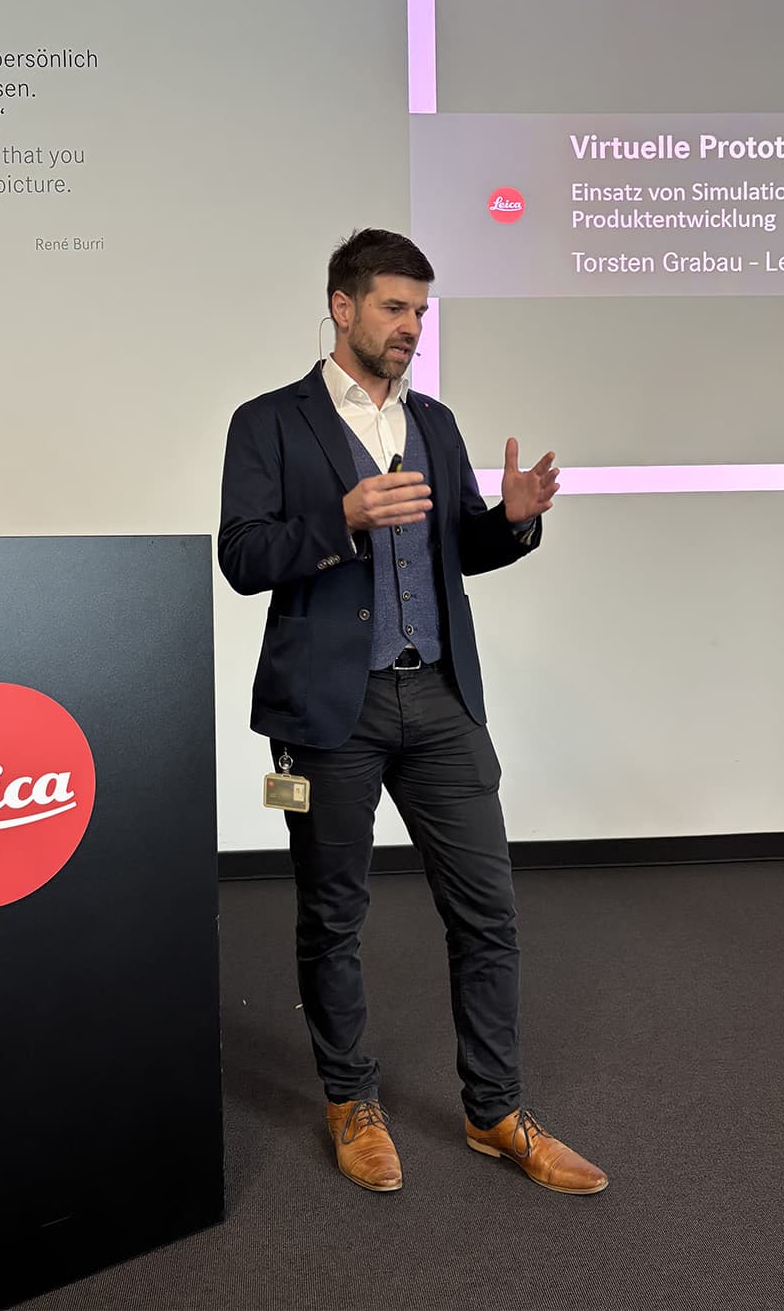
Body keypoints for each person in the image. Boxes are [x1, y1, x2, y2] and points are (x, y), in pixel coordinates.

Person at [218, 228, 607, 1196]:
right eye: (395, 308)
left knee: (488, 911)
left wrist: (511, 520)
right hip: (327, 711)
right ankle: (350, 1101)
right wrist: (341, 520)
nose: (411, 328)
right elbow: (243, 557)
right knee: (333, 915)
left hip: (437, 697)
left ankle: (494, 1111)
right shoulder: (267, 422)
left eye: (421, 313)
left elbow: (457, 549)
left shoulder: (434, 420)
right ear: (342, 307)